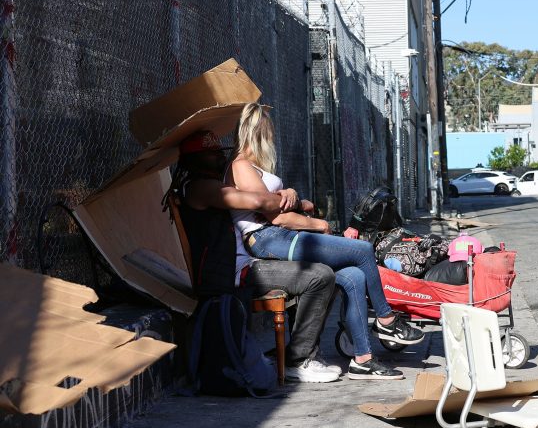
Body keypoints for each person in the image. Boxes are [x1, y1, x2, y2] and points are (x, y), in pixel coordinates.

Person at [228, 103, 424, 381]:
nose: (272, 135)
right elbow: (277, 217)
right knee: (363, 250)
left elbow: (282, 208)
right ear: (258, 130)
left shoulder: (256, 168)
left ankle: (363, 359)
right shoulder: (241, 166)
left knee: (355, 276)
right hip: (267, 239)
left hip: (280, 237)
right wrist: (319, 225)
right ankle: (386, 319)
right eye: (269, 128)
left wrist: (294, 197)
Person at [172, 129, 340, 384]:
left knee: (320, 267)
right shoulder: (202, 187)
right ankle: (298, 360)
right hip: (234, 271)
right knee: (319, 276)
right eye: (212, 153)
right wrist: (288, 196)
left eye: (220, 152)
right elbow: (261, 203)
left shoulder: (207, 184)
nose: (220, 157)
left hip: (242, 263)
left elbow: (264, 202)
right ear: (194, 159)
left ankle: (295, 351)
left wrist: (285, 197)